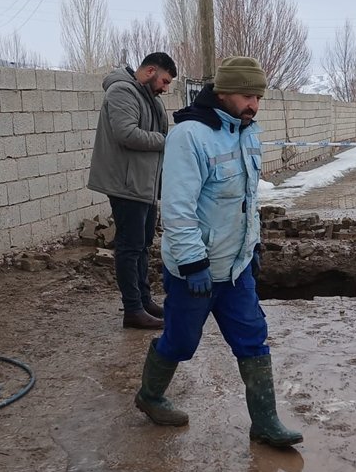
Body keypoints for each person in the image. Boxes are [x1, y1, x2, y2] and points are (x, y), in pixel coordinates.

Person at [132, 56, 303, 448]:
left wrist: (252, 246)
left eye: (258, 97)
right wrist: (193, 264)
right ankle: (151, 395)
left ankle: (265, 422)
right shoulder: (189, 136)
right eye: (247, 95)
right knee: (180, 342)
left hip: (235, 267)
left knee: (252, 337)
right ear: (222, 92)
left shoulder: (247, 131)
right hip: (195, 270)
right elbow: (177, 208)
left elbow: (246, 200)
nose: (253, 105)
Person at [88, 52, 178, 329]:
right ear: (150, 70)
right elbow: (127, 134)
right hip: (126, 184)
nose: (165, 87)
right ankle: (133, 309)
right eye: (164, 80)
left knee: (142, 244)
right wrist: (168, 140)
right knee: (129, 247)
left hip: (144, 184)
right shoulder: (122, 91)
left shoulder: (148, 96)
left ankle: (145, 301)